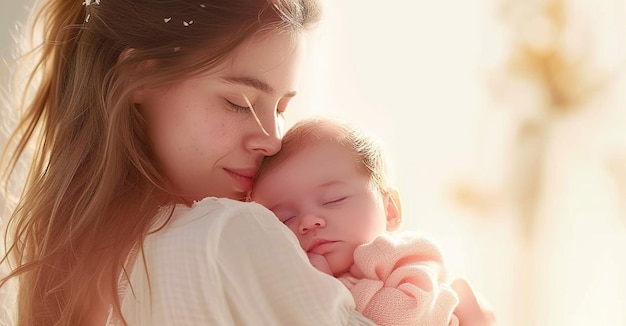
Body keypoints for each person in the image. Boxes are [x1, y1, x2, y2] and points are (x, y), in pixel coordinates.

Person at [0, 0, 386, 325]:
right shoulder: (225, 234)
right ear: (138, 75)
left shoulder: (67, 271)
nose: (272, 139)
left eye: (282, 107)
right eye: (240, 103)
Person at [251, 117, 461, 326]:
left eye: (334, 199)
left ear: (389, 210)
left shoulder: (402, 255)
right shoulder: (289, 283)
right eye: (285, 219)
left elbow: (408, 315)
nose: (307, 221)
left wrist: (325, 290)